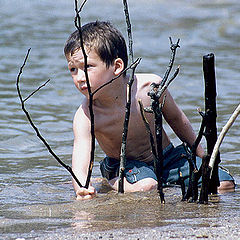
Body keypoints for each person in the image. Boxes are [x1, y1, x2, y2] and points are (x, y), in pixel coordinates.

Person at [64, 21, 235, 200]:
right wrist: (82, 187)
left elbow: (177, 120)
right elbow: (81, 160)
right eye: (73, 70)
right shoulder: (86, 115)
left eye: (87, 67)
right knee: (148, 186)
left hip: (168, 158)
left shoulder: (149, 88)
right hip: (125, 165)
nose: (79, 78)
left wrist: (203, 156)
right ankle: (112, 181)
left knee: (223, 184)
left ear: (116, 67)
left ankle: (163, 179)